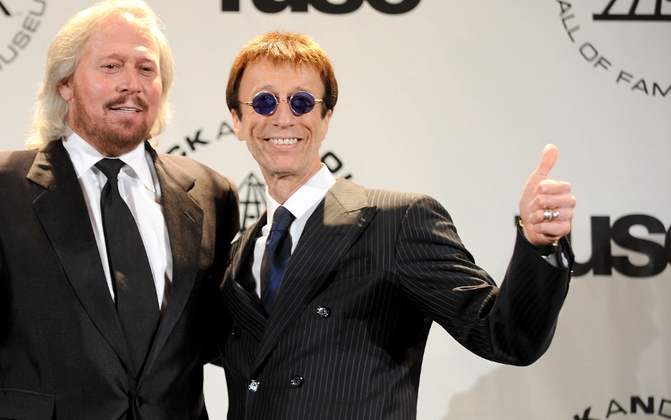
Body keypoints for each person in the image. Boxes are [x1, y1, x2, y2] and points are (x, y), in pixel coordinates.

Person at [0, 0, 239, 420]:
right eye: (111, 66)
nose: (131, 84)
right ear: (65, 83)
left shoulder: (212, 193)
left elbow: (229, 343)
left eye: (146, 68)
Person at [218, 31, 576, 420]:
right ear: (238, 120)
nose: (284, 117)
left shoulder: (398, 222)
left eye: (302, 102)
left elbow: (505, 336)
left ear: (325, 120)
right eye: (264, 102)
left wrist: (539, 244)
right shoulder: (237, 254)